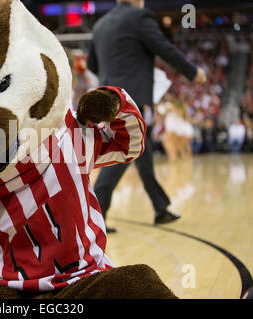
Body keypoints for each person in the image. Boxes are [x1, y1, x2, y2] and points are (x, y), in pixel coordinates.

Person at [87, 0, 207, 232]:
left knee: (142, 153)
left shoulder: (100, 25)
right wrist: (192, 72)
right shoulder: (139, 17)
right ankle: (96, 217)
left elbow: (93, 63)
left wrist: (112, 78)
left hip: (108, 96)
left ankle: (161, 208)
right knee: (123, 152)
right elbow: (164, 47)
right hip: (129, 99)